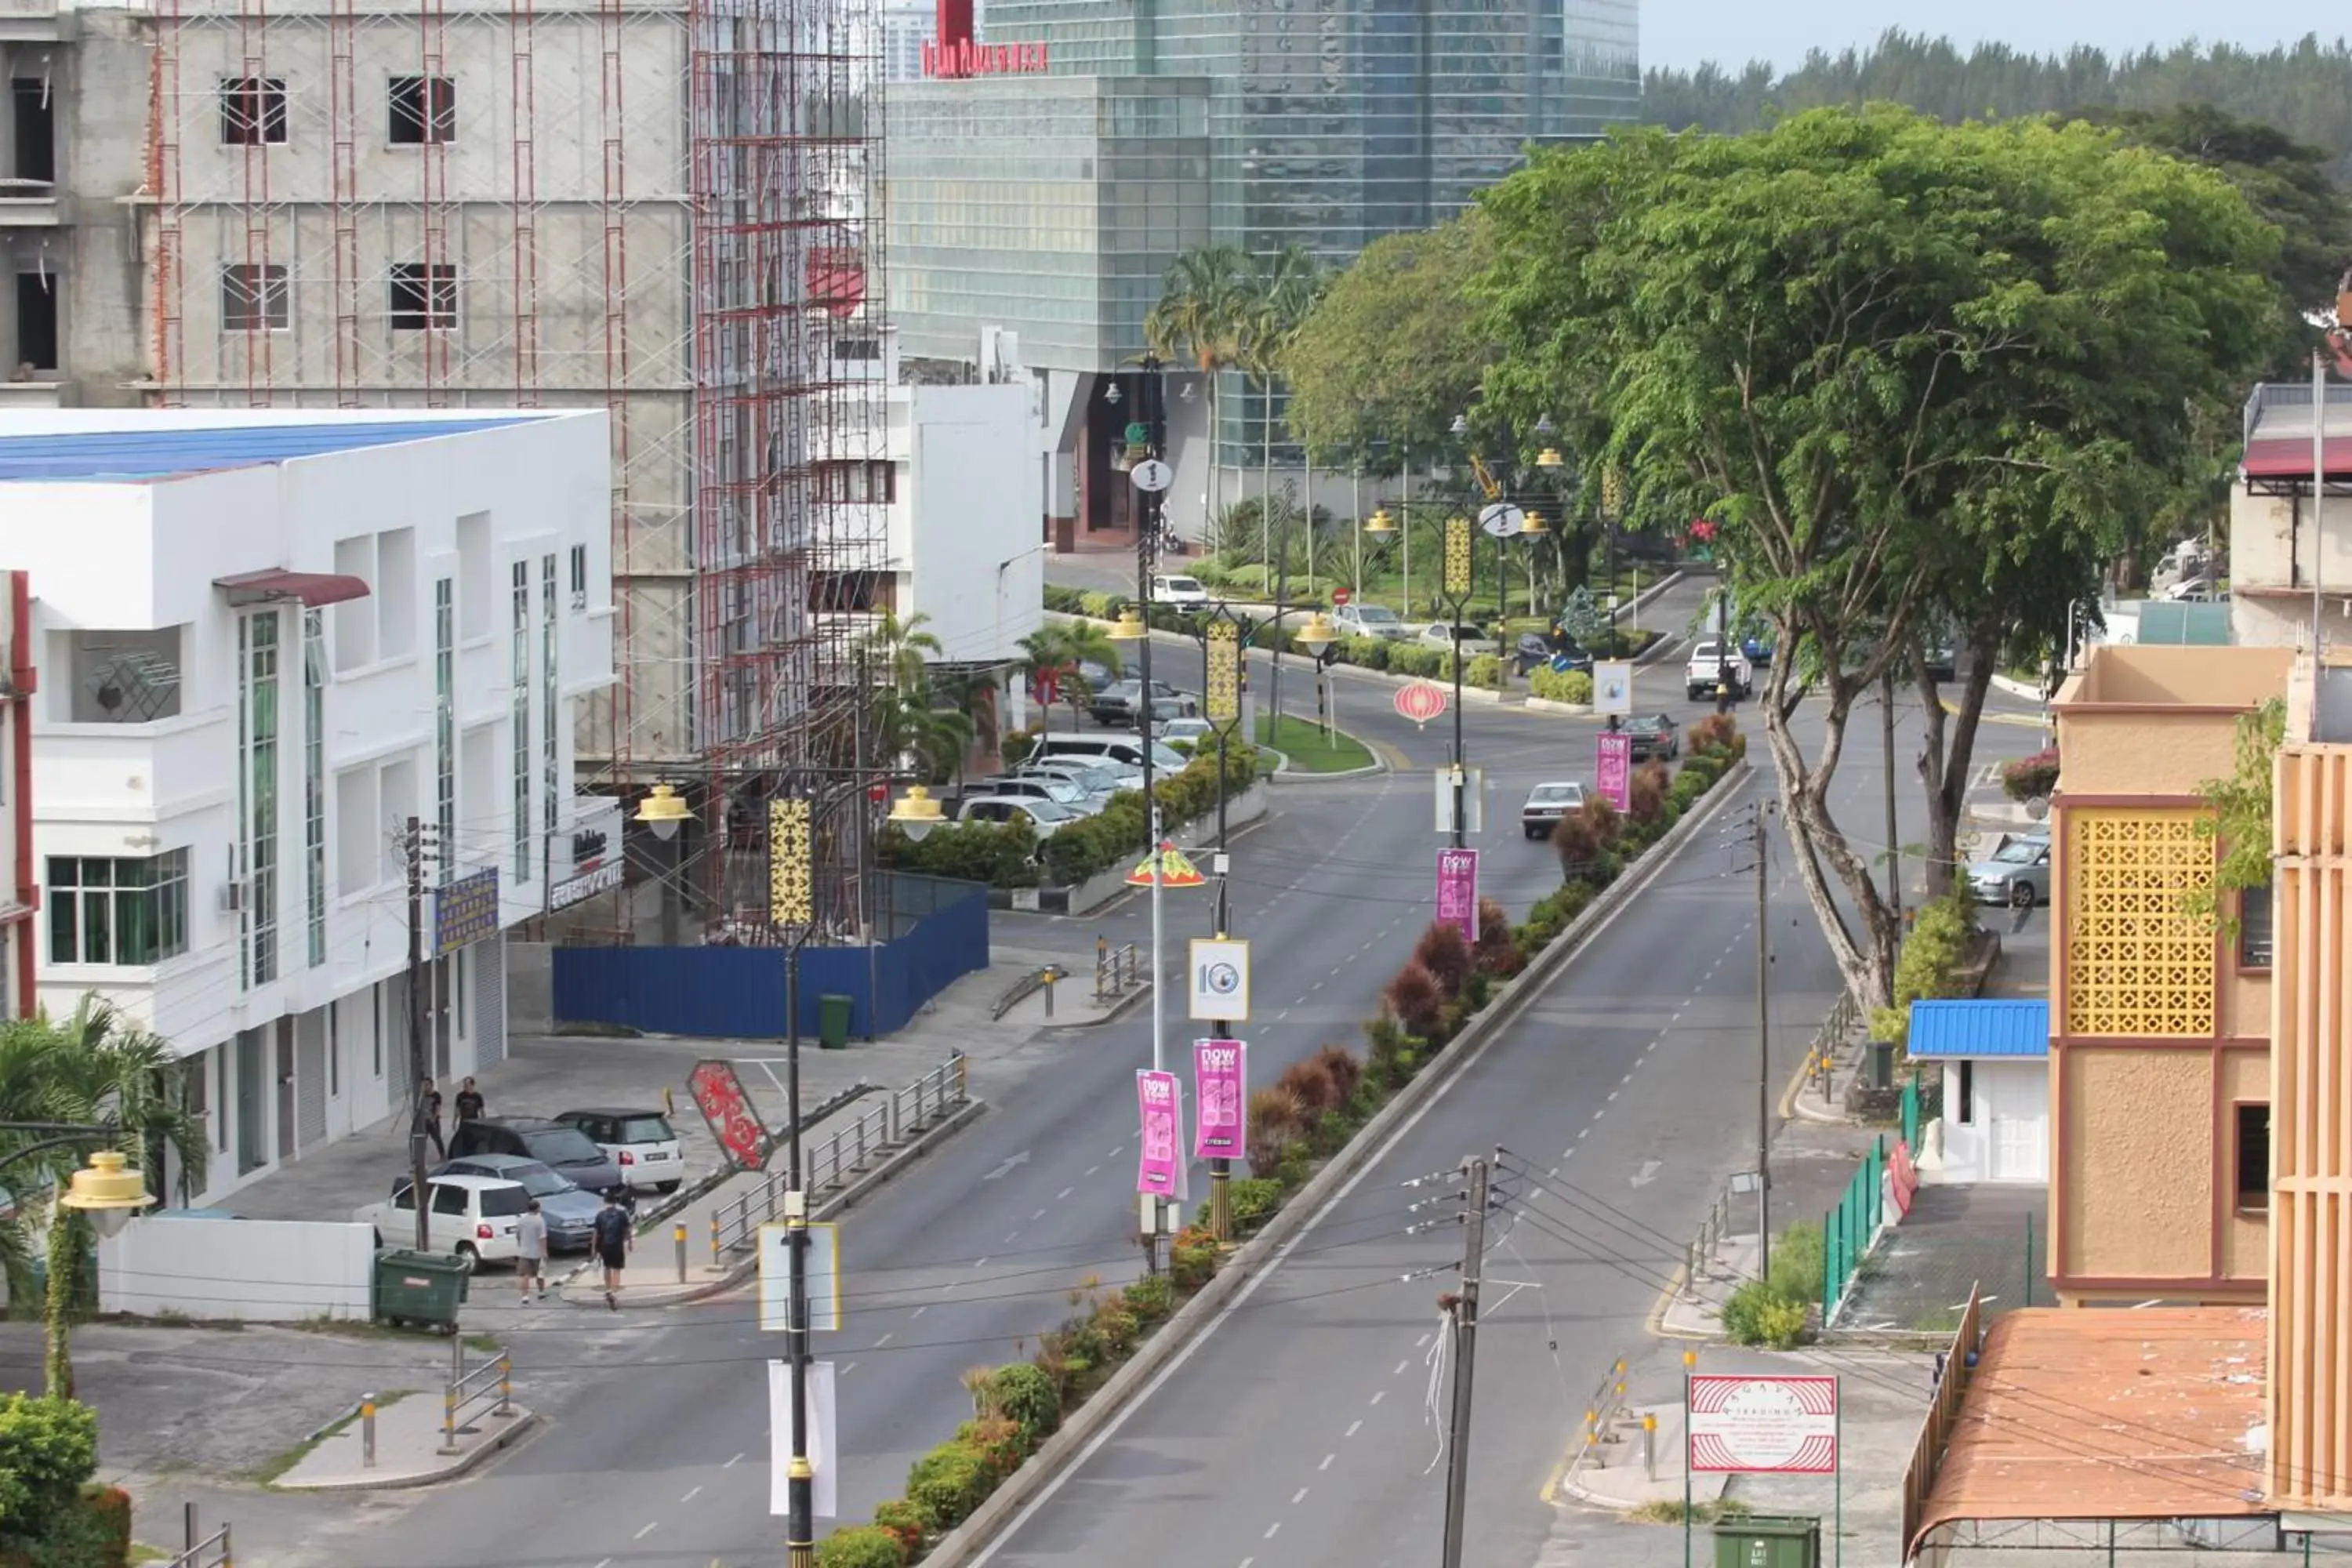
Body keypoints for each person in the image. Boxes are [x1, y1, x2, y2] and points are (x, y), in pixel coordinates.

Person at [593, 1189, 632, 1310]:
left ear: (605, 1202)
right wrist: (630, 1242)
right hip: (617, 1245)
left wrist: (593, 1248)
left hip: (604, 1245)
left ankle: (608, 1288)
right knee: (617, 1268)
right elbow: (627, 1230)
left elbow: (595, 1233)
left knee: (607, 1267)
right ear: (615, 1202)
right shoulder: (621, 1214)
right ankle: (615, 1290)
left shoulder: (600, 1215)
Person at [514, 1199, 548, 1303]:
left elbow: (518, 1235)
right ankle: (541, 1292)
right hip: (537, 1252)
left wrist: (521, 1245)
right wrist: (544, 1252)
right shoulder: (540, 1220)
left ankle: (525, 1297)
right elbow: (542, 1237)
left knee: (525, 1275)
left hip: (524, 1252)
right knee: (540, 1273)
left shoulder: (521, 1220)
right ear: (537, 1208)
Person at [417, 1077, 445, 1157]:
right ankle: (420, 1157)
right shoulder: (422, 1095)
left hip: (432, 1120)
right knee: (422, 1140)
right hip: (423, 1120)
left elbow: (438, 1107)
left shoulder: (436, 1096)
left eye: (427, 1085)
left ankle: (442, 1155)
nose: (425, 1087)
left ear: (431, 1085)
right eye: (424, 1085)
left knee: (437, 1138)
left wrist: (434, 1118)